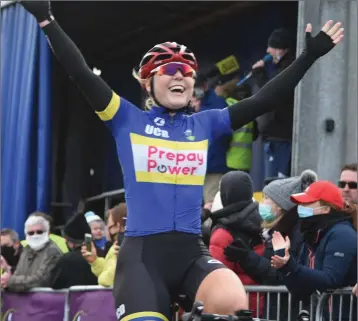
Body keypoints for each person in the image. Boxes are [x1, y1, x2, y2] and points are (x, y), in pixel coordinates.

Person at [19, 1, 343, 317]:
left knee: (232, 299)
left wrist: (309, 56)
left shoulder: (205, 123)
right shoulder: (125, 118)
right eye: (170, 69)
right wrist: (47, 19)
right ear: (148, 83)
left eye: (187, 71)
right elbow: (80, 73)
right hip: (143, 259)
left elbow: (265, 99)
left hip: (191, 253)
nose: (181, 76)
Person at [271, 181, 357, 321]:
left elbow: (330, 279)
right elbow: (299, 291)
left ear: (325, 209)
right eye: (301, 204)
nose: (301, 208)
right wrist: (284, 263)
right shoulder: (313, 235)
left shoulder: (342, 234)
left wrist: (291, 266)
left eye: (307, 204)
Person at [209, 171, 264, 318]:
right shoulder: (262, 223)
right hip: (261, 305)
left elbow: (218, 276)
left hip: (232, 309)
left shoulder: (223, 232)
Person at [252, 28, 296, 178]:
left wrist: (259, 74)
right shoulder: (279, 69)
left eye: (271, 47)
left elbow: (272, 94)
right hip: (273, 138)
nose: (267, 50)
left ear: (280, 49)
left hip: (282, 139)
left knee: (277, 183)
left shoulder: (288, 68)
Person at [1, 214, 62, 291]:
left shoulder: (52, 251)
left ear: (47, 232)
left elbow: (41, 281)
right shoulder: (26, 250)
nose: (35, 235)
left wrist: (10, 281)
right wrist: (6, 279)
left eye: (39, 232)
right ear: (26, 234)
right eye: (31, 233)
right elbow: (18, 274)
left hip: (43, 300)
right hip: (24, 300)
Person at [81, 204, 126, 287]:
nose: (107, 231)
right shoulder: (115, 246)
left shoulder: (128, 247)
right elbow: (107, 269)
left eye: (110, 227)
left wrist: (101, 279)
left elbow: (106, 281)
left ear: (119, 226)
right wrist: (94, 261)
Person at [51, 213, 98, 289]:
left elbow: (54, 283)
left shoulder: (66, 260)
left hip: (73, 300)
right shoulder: (102, 255)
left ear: (72, 243)